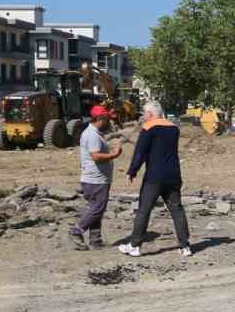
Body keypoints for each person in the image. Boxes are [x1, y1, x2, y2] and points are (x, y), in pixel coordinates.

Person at [120, 100, 192, 258]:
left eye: (145, 114)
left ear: (150, 114)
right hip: (173, 176)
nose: (143, 117)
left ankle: (135, 246)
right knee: (177, 210)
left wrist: (132, 171)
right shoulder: (173, 128)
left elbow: (140, 152)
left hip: (154, 177)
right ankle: (185, 246)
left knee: (144, 210)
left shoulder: (148, 127)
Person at [67, 105, 122, 250]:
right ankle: (76, 230)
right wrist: (113, 155)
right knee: (98, 208)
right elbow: (96, 156)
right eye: (107, 118)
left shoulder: (94, 133)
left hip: (96, 178)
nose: (109, 121)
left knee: (96, 209)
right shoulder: (91, 134)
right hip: (95, 179)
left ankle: (95, 241)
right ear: (100, 118)